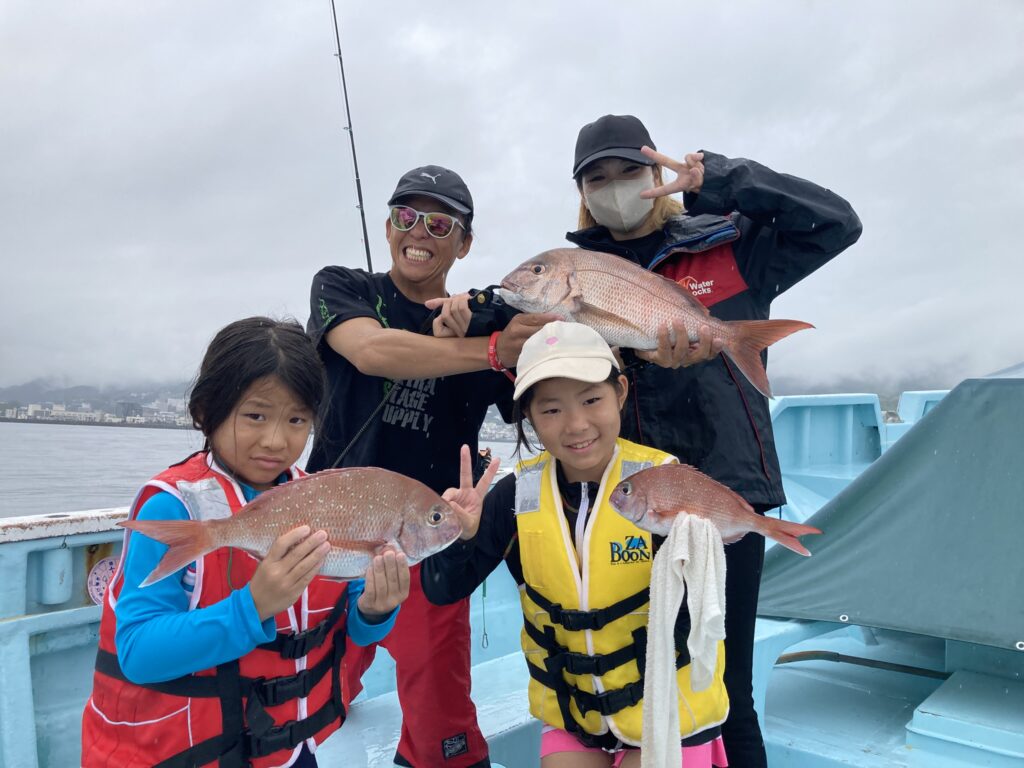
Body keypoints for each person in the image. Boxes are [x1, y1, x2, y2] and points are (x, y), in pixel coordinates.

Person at [565, 114, 863, 766]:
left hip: (728, 490)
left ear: (657, 177)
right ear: (583, 192)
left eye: (629, 172)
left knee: (722, 687)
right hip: (629, 500)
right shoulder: (577, 275)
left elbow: (838, 223)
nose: (615, 188)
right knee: (633, 676)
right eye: (599, 178)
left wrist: (722, 180)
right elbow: (543, 361)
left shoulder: (730, 240)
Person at [307, 166, 554, 767]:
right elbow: (370, 351)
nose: (418, 232)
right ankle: (325, 706)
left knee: (442, 724)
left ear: (464, 243)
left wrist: (511, 327)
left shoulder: (485, 321)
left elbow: (542, 395)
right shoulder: (343, 287)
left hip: (427, 538)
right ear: (388, 226)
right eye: (405, 217)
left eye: (439, 222)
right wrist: (489, 350)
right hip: (327, 528)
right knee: (308, 685)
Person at [81, 317, 410, 768]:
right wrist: (252, 606)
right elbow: (138, 652)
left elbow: (355, 623)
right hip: (185, 755)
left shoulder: (321, 496)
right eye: (255, 415)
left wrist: (377, 609)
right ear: (205, 412)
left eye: (297, 419)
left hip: (292, 750)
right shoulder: (173, 506)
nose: (276, 440)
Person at [423, 321, 730, 767]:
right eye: (551, 410)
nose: (576, 425)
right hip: (576, 713)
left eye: (591, 400)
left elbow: (713, 598)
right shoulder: (513, 497)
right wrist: (459, 537)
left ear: (621, 393)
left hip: (669, 712)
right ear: (527, 416)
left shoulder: (665, 482)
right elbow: (443, 589)